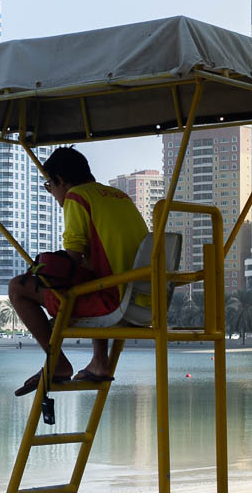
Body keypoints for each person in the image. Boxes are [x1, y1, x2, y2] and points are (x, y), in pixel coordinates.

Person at [8, 147, 149, 413]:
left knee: (17, 287)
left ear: (61, 180)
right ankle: (99, 361)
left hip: (116, 299)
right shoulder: (119, 195)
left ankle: (58, 362)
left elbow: (72, 257)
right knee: (87, 280)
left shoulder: (77, 197)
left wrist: (40, 271)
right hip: (145, 297)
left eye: (49, 186)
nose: (52, 194)